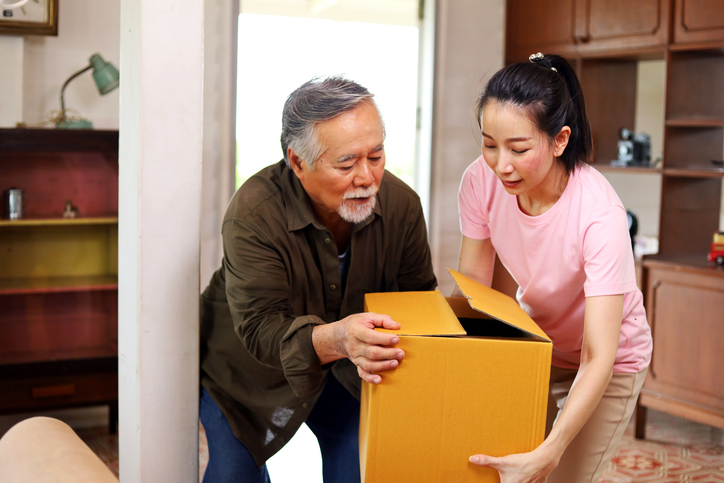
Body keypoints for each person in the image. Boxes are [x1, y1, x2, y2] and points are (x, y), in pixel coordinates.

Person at [199, 76, 437, 482]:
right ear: (297, 162)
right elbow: (261, 330)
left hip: (349, 373)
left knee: (368, 471)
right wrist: (339, 338)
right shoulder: (253, 215)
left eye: (376, 156)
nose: (367, 177)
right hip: (247, 379)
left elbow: (419, 303)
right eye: (346, 164)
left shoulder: (402, 205)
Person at [458, 53, 653, 482]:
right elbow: (475, 292)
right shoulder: (480, 181)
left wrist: (552, 450)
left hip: (610, 360)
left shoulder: (599, 214)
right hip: (539, 344)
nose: (500, 164)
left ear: (560, 140)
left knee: (554, 471)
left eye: (519, 148)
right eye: (490, 144)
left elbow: (597, 354)